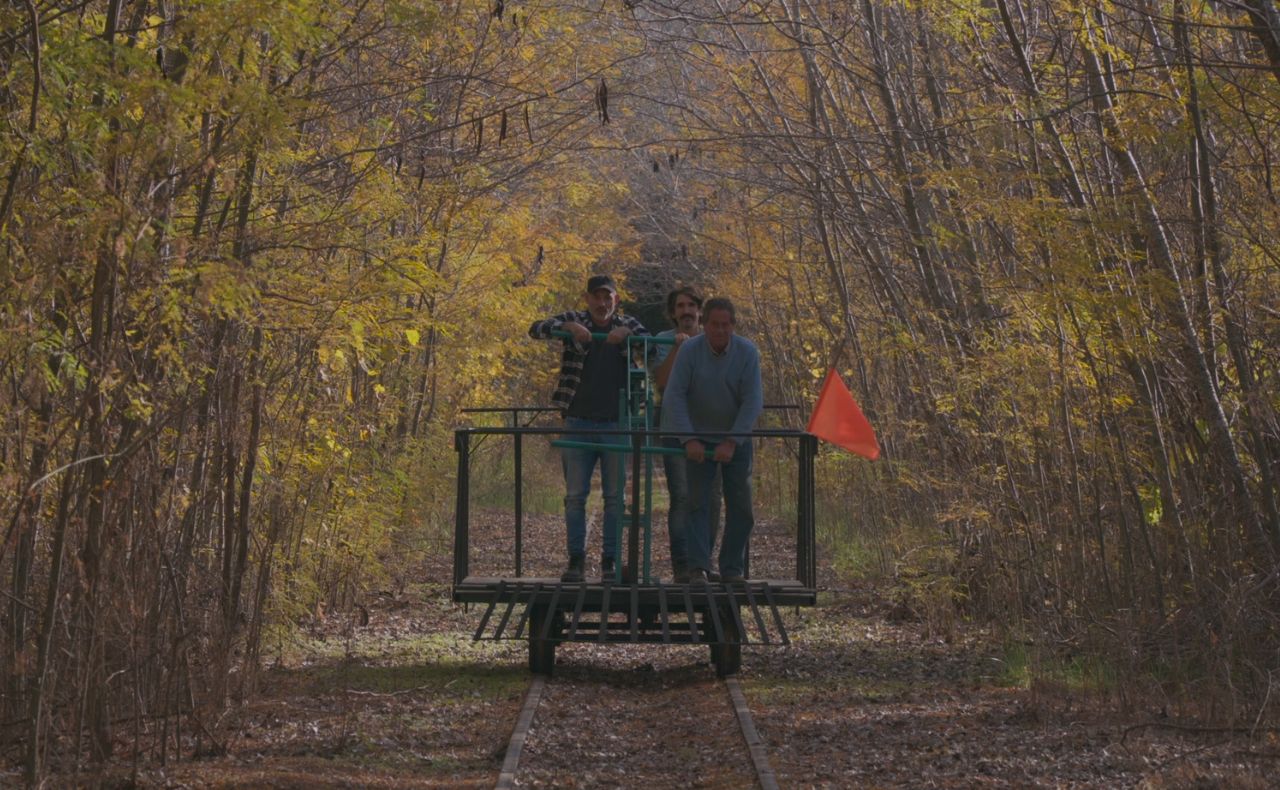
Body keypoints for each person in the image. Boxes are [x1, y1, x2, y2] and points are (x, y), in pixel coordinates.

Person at [529, 274, 649, 582]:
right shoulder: (574, 319)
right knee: (575, 496)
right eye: (596, 297)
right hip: (578, 422)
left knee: (614, 497)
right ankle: (576, 560)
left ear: (615, 300)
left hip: (615, 425)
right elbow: (536, 329)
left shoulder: (628, 324)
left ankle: (610, 561)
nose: (601, 303)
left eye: (607, 297)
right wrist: (567, 328)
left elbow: (649, 347)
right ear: (587, 299)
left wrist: (628, 336)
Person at [662, 297, 763, 584]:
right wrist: (688, 438)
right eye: (714, 325)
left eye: (725, 325)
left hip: (736, 437)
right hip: (699, 437)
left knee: (741, 505)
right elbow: (675, 395)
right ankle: (698, 567)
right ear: (704, 325)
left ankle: (732, 568)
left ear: (733, 326)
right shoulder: (690, 351)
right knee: (697, 502)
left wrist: (732, 441)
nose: (720, 330)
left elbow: (753, 401)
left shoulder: (747, 352)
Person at [648, 286, 723, 582]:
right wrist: (681, 348)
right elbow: (663, 382)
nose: (686, 311)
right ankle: (683, 566)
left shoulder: (715, 340)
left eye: (691, 305)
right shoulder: (663, 341)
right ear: (673, 313)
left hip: (712, 428)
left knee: (712, 497)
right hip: (676, 429)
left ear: (700, 311)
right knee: (682, 497)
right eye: (680, 306)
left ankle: (702, 563)